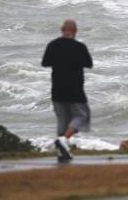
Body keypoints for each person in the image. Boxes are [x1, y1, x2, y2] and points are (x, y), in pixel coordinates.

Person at [41, 19, 93, 162]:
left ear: (62, 30)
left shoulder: (53, 45)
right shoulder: (80, 47)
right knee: (82, 115)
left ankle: (61, 152)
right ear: (75, 31)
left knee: (62, 120)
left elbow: (45, 63)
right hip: (75, 89)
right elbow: (89, 64)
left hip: (57, 89)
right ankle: (64, 140)